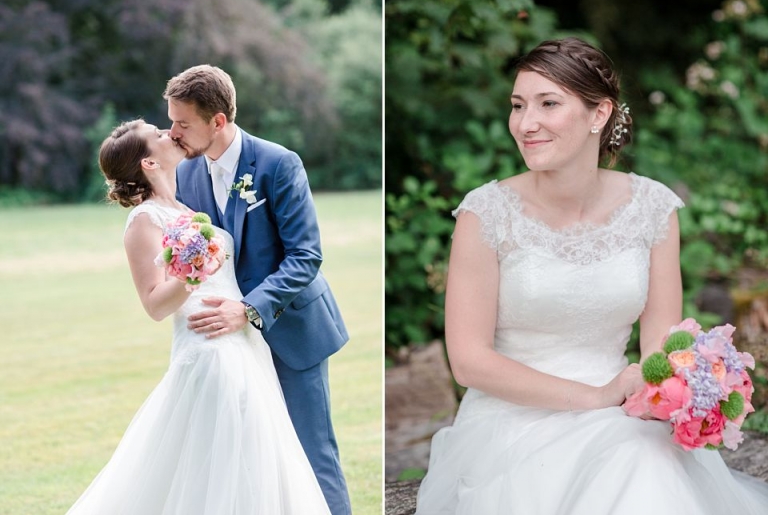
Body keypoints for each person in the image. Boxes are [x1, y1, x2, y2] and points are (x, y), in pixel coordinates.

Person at [414, 37, 768, 514]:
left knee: (642, 459)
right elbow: (470, 362)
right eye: (517, 106)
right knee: (632, 462)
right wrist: (597, 396)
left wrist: (682, 393)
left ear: (598, 115)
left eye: (548, 104)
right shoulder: (487, 213)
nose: (525, 123)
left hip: (625, 415)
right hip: (512, 424)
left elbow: (662, 346)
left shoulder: (652, 207)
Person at [67, 119, 331, 514]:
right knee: (222, 457)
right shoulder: (144, 221)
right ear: (149, 165)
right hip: (208, 347)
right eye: (158, 135)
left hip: (244, 340)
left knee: (258, 454)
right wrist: (192, 274)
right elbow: (155, 304)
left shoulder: (185, 206)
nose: (169, 133)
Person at [164, 65, 351, 515]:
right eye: (171, 120)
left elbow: (305, 256)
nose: (172, 133)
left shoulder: (278, 164)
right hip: (228, 346)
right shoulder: (186, 174)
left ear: (218, 122)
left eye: (182, 123)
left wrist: (247, 310)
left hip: (292, 329)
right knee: (248, 458)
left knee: (311, 453)